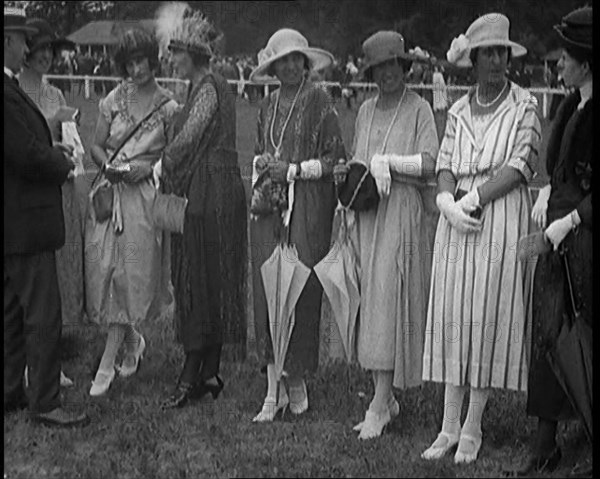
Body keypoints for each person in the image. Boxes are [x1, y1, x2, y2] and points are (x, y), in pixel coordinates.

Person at [421, 13, 541, 464]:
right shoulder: (456, 109)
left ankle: (473, 425)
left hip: (500, 213)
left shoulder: (525, 104)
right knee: (454, 311)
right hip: (457, 222)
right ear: (473, 59)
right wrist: (448, 203)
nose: (496, 60)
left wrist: (474, 197)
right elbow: (445, 163)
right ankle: (448, 424)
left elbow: (521, 163)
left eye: (501, 51)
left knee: (487, 313)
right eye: (488, 52)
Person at [335, 31, 439, 440]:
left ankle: (380, 400)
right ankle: (385, 397)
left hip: (401, 213)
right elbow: (360, 161)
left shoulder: (420, 110)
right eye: (380, 68)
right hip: (368, 214)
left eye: (394, 65)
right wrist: (350, 179)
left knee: (388, 298)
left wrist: (391, 163)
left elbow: (430, 164)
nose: (388, 74)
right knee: (370, 299)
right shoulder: (364, 111)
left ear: (405, 67)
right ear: (372, 72)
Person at [511, 6, 593, 476]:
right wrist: (547, 192)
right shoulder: (568, 105)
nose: (558, 65)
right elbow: (559, 167)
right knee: (547, 335)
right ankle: (545, 444)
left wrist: (573, 219)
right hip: (555, 239)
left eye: (566, 57)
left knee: (584, 337)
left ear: (585, 61)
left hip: (584, 241)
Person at [248, 28, 346, 422]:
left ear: (305, 62)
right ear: (273, 67)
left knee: (300, 288)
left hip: (307, 205)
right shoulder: (267, 105)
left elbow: (335, 159)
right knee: (269, 288)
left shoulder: (320, 100)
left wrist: (292, 170)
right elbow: (258, 150)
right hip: (271, 207)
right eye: (282, 60)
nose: (290, 66)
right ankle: (274, 387)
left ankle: (297, 377)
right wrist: (264, 167)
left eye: (295, 59)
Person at [157, 6, 247, 410]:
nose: (172, 59)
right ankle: (208, 371)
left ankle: (191, 373)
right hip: (216, 189)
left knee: (197, 280)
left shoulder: (207, 88)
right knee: (211, 279)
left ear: (192, 54)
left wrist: (159, 162)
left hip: (209, 193)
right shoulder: (203, 88)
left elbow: (190, 141)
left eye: (176, 53)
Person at [4, 6, 88, 427]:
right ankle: (45, 400)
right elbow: (26, 154)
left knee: (12, 314)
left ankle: (12, 390)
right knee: (41, 314)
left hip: (13, 222)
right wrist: (60, 163)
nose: (26, 49)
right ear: (7, 42)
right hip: (26, 220)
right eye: (21, 40)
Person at [85, 28, 178, 397]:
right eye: (130, 63)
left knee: (130, 273)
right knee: (104, 270)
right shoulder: (112, 99)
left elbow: (176, 156)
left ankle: (106, 365)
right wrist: (107, 164)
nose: (137, 69)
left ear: (152, 60)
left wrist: (151, 168)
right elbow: (95, 145)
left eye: (141, 60)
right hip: (110, 195)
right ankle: (133, 340)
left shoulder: (169, 107)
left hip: (143, 200)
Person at [18, 18, 82, 389]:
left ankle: (49, 360)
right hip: (29, 196)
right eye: (38, 48)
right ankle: (27, 361)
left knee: (56, 278)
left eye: (49, 49)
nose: (45, 55)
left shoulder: (55, 94)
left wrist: (70, 136)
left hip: (59, 191)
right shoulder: (15, 93)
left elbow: (66, 144)